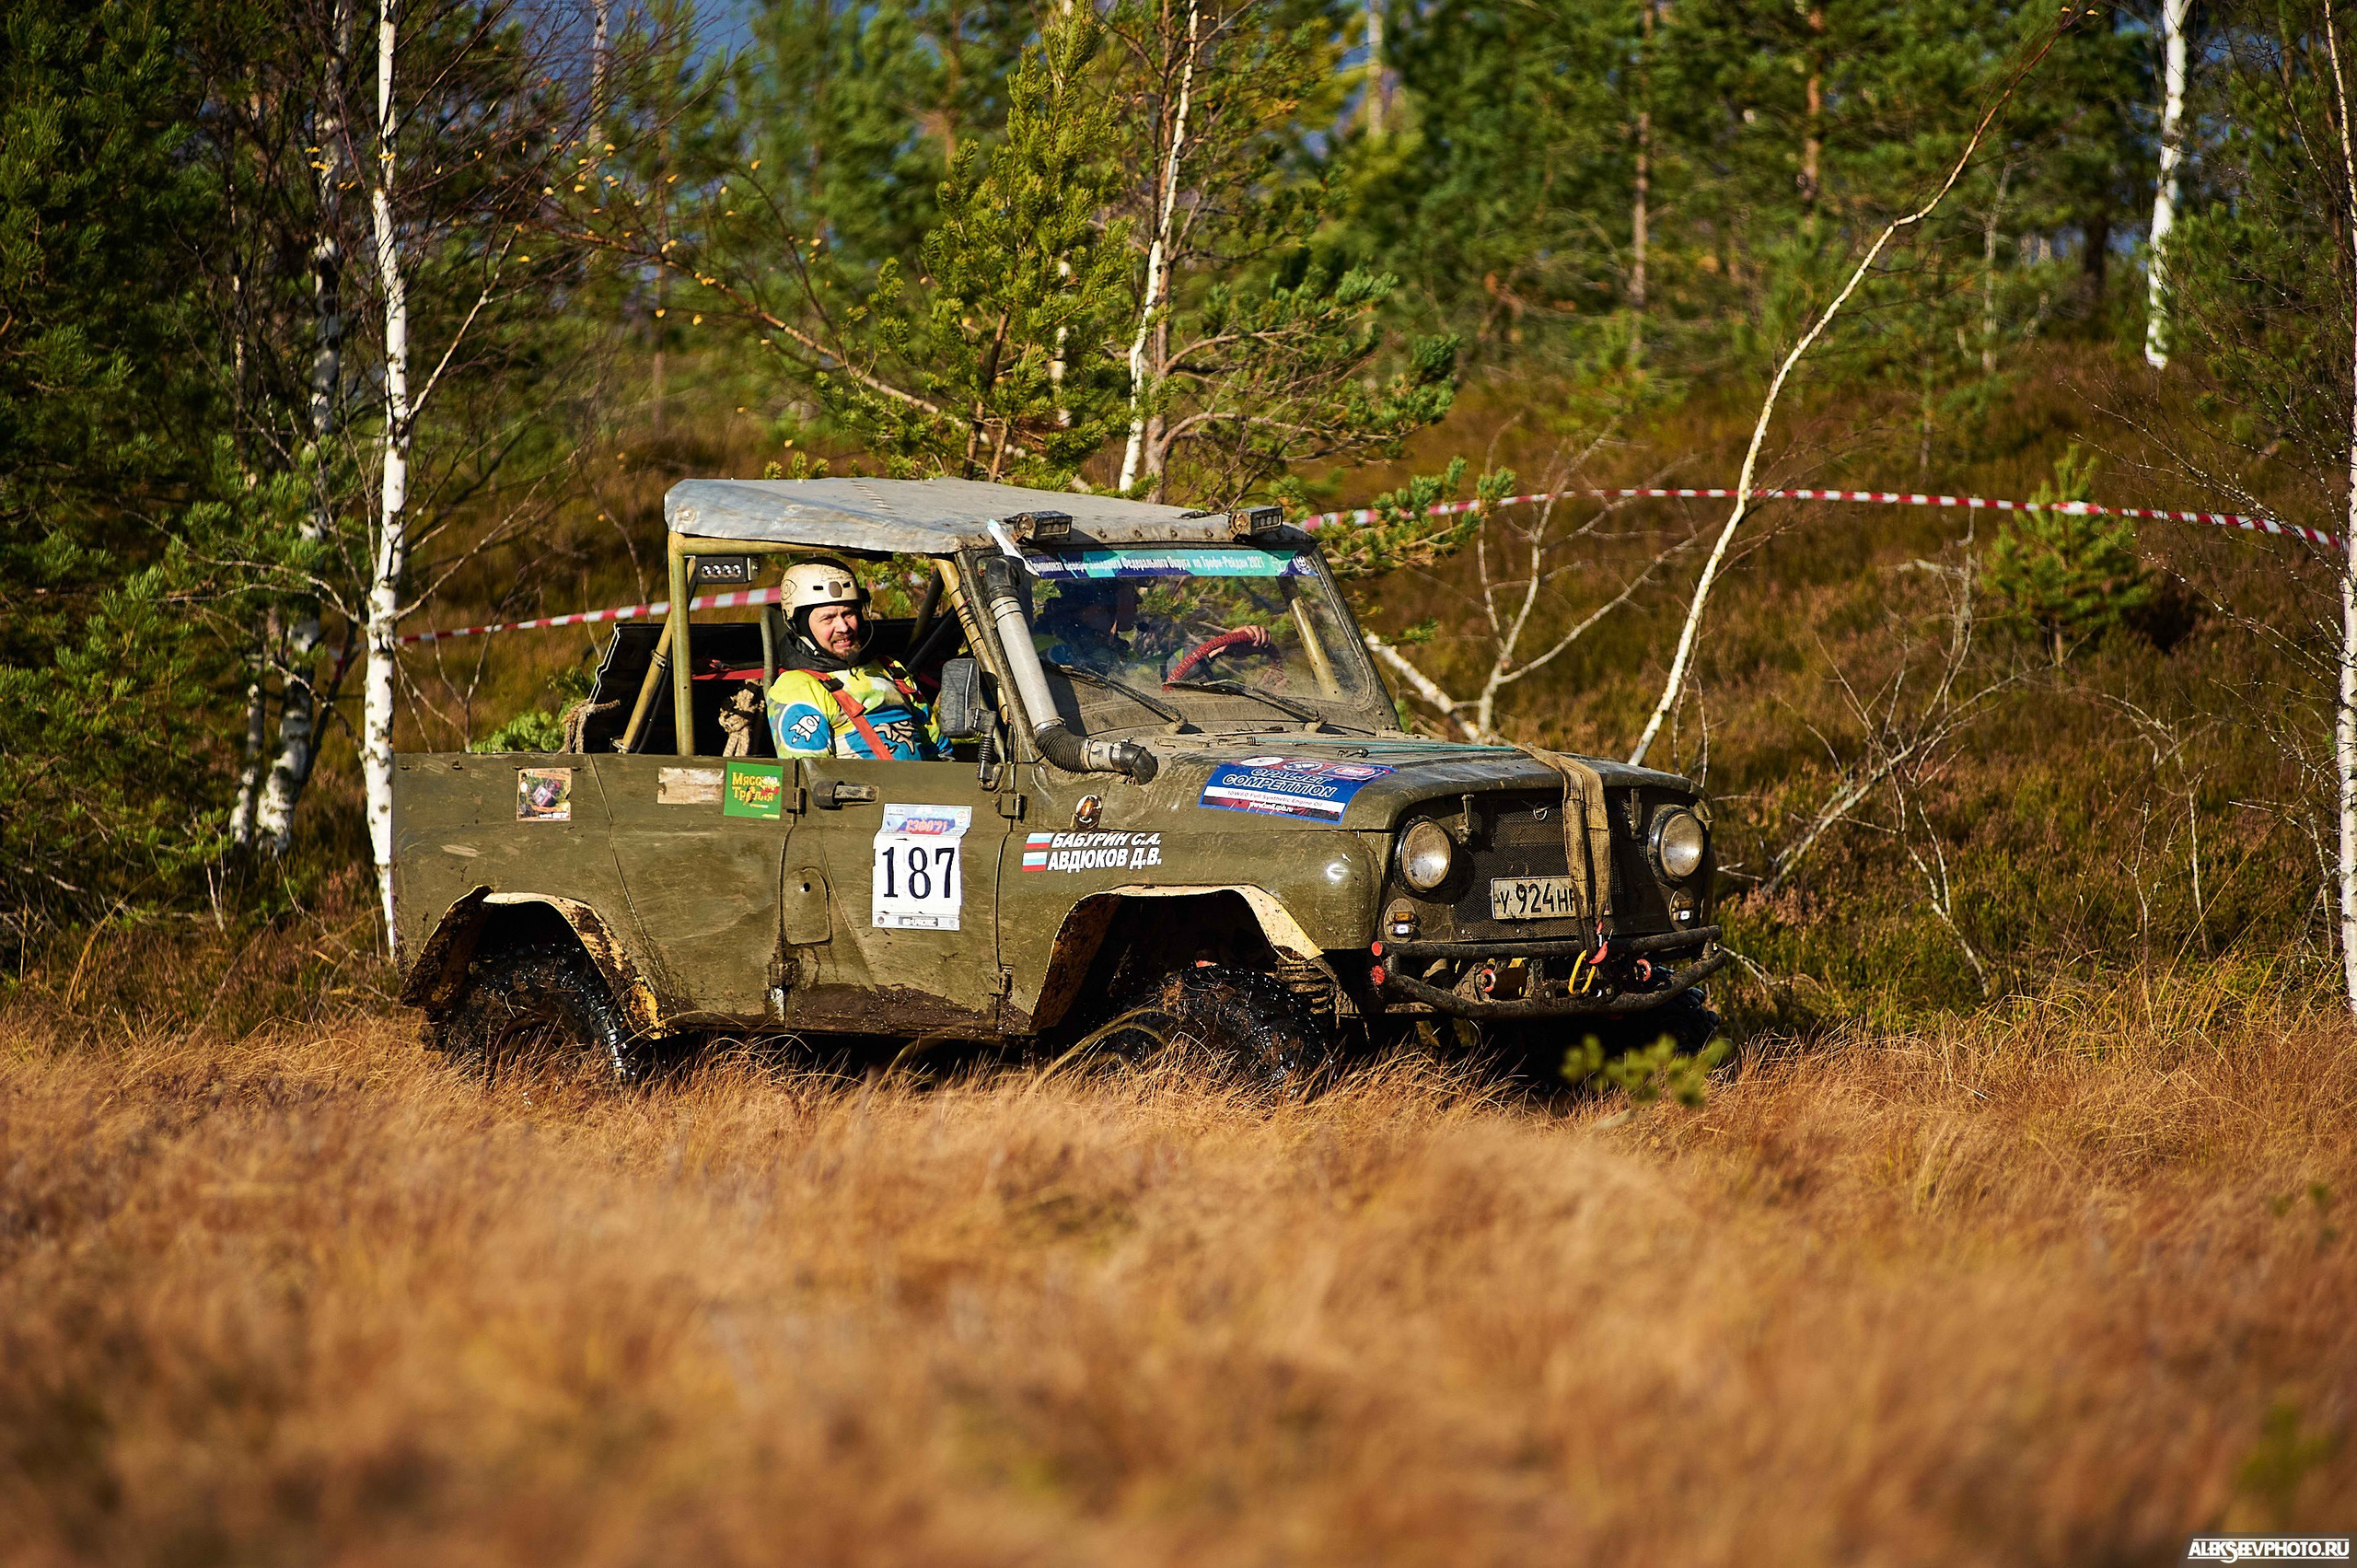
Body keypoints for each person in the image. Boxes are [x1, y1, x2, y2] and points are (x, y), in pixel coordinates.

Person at [767, 558, 945, 761]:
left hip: (926, 788)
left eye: (848, 614)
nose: (843, 627)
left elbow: (937, 746)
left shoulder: (889, 668)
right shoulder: (797, 687)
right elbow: (811, 778)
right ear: (800, 627)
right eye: (828, 618)